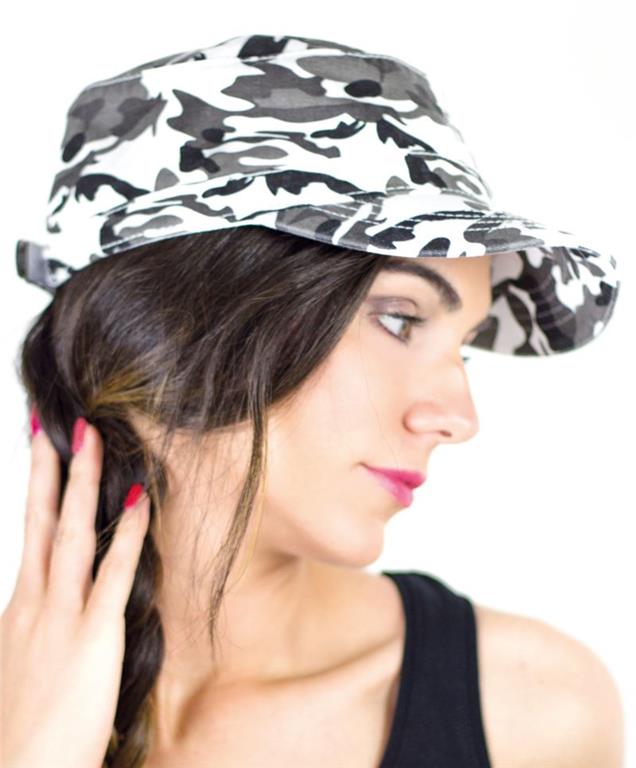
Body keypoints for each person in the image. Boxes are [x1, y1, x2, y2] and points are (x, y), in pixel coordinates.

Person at [1, 33, 624, 768]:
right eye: (400, 320)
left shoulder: (535, 713)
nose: (459, 419)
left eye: (462, 346)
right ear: (174, 324)